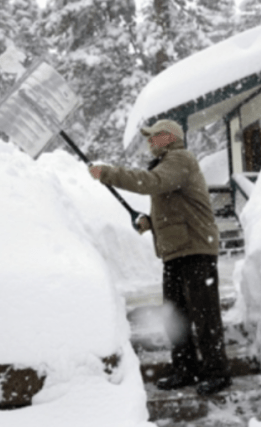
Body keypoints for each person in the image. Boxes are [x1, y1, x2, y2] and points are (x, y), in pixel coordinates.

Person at [89, 119, 232, 396]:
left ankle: (218, 373)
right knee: (176, 317)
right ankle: (185, 370)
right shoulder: (169, 163)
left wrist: (108, 173)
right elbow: (176, 208)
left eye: (153, 137)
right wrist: (150, 222)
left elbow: (152, 182)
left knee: (205, 317)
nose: (149, 142)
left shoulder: (180, 159)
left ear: (168, 137)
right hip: (176, 253)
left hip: (196, 251)